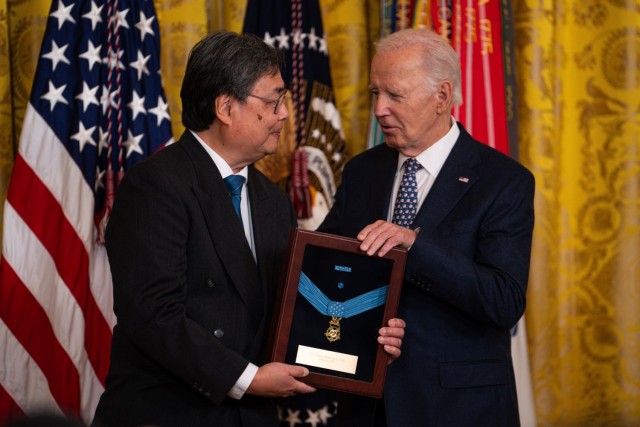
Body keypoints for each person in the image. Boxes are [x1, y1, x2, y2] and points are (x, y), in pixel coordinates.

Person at [91, 31, 405, 427]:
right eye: (273, 101)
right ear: (225, 107)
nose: (284, 114)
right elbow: (154, 316)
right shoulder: (156, 185)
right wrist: (248, 379)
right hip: (170, 414)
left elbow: (291, 310)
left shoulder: (271, 199)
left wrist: (366, 341)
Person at [319, 28, 535, 427]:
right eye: (374, 94)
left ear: (442, 96)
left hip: (458, 408)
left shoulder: (504, 181)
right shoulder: (362, 171)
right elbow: (328, 268)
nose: (379, 109)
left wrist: (414, 246)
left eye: (395, 95)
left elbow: (503, 301)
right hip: (367, 406)